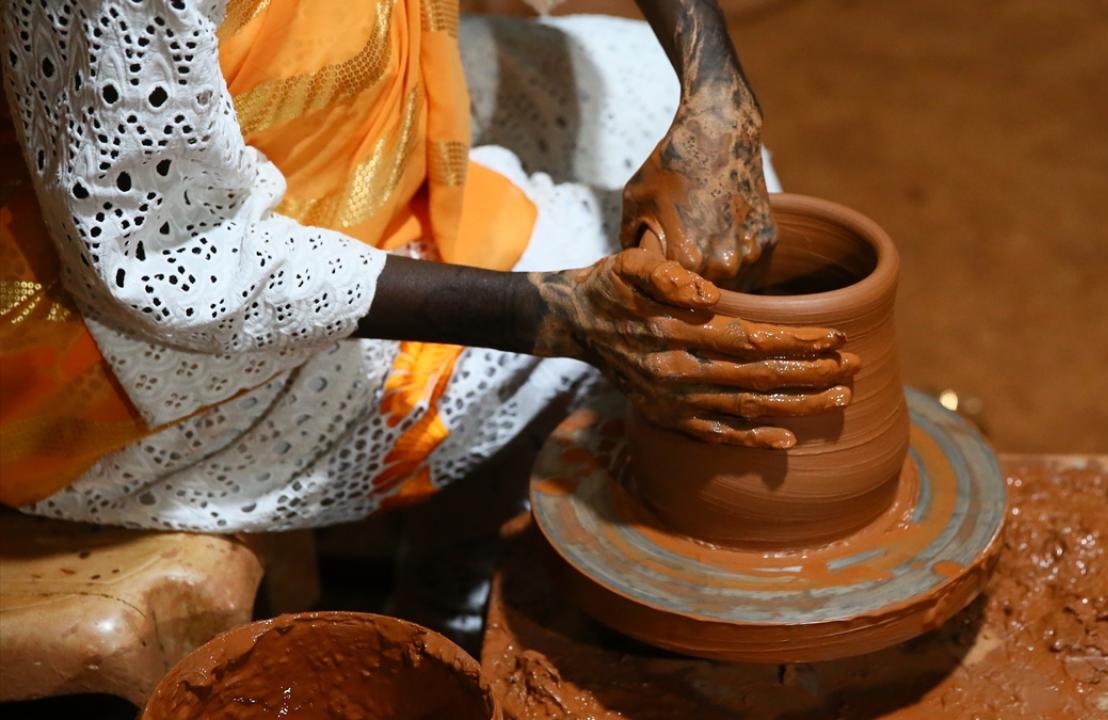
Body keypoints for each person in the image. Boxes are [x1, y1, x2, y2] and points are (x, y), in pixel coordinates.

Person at [0, 0, 855, 532]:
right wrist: (552, 314)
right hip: (127, 326)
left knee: (646, 95)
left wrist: (716, 93)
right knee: (670, 331)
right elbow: (176, 261)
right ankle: (458, 601)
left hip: (335, 79)